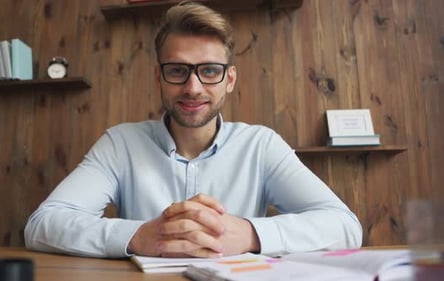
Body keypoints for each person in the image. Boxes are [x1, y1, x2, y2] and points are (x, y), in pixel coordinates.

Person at [24, 2, 362, 259]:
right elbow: (42, 225)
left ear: (229, 79)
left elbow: (345, 227)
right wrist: (139, 236)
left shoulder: (261, 145)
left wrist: (249, 234)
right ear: (159, 77)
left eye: (210, 71)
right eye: (177, 71)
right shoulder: (120, 143)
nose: (193, 87)